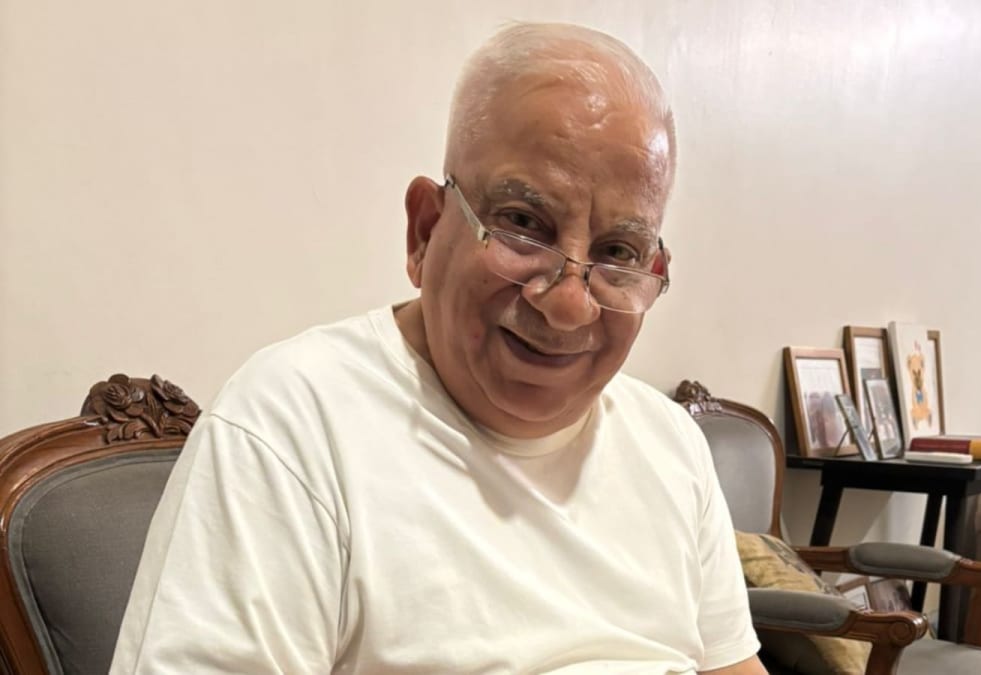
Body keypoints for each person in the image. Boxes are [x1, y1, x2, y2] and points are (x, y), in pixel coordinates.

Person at [109, 21, 766, 675]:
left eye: (618, 252)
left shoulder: (670, 446)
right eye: (523, 224)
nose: (569, 303)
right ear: (425, 230)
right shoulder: (293, 425)